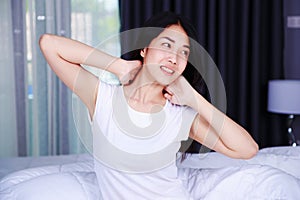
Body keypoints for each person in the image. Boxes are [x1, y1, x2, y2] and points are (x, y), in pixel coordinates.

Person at [39, 11, 258, 199]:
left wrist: (193, 98)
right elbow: (49, 44)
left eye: (184, 52)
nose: (174, 58)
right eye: (167, 45)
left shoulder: (179, 115)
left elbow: (248, 149)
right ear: (144, 48)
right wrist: (118, 66)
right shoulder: (102, 98)